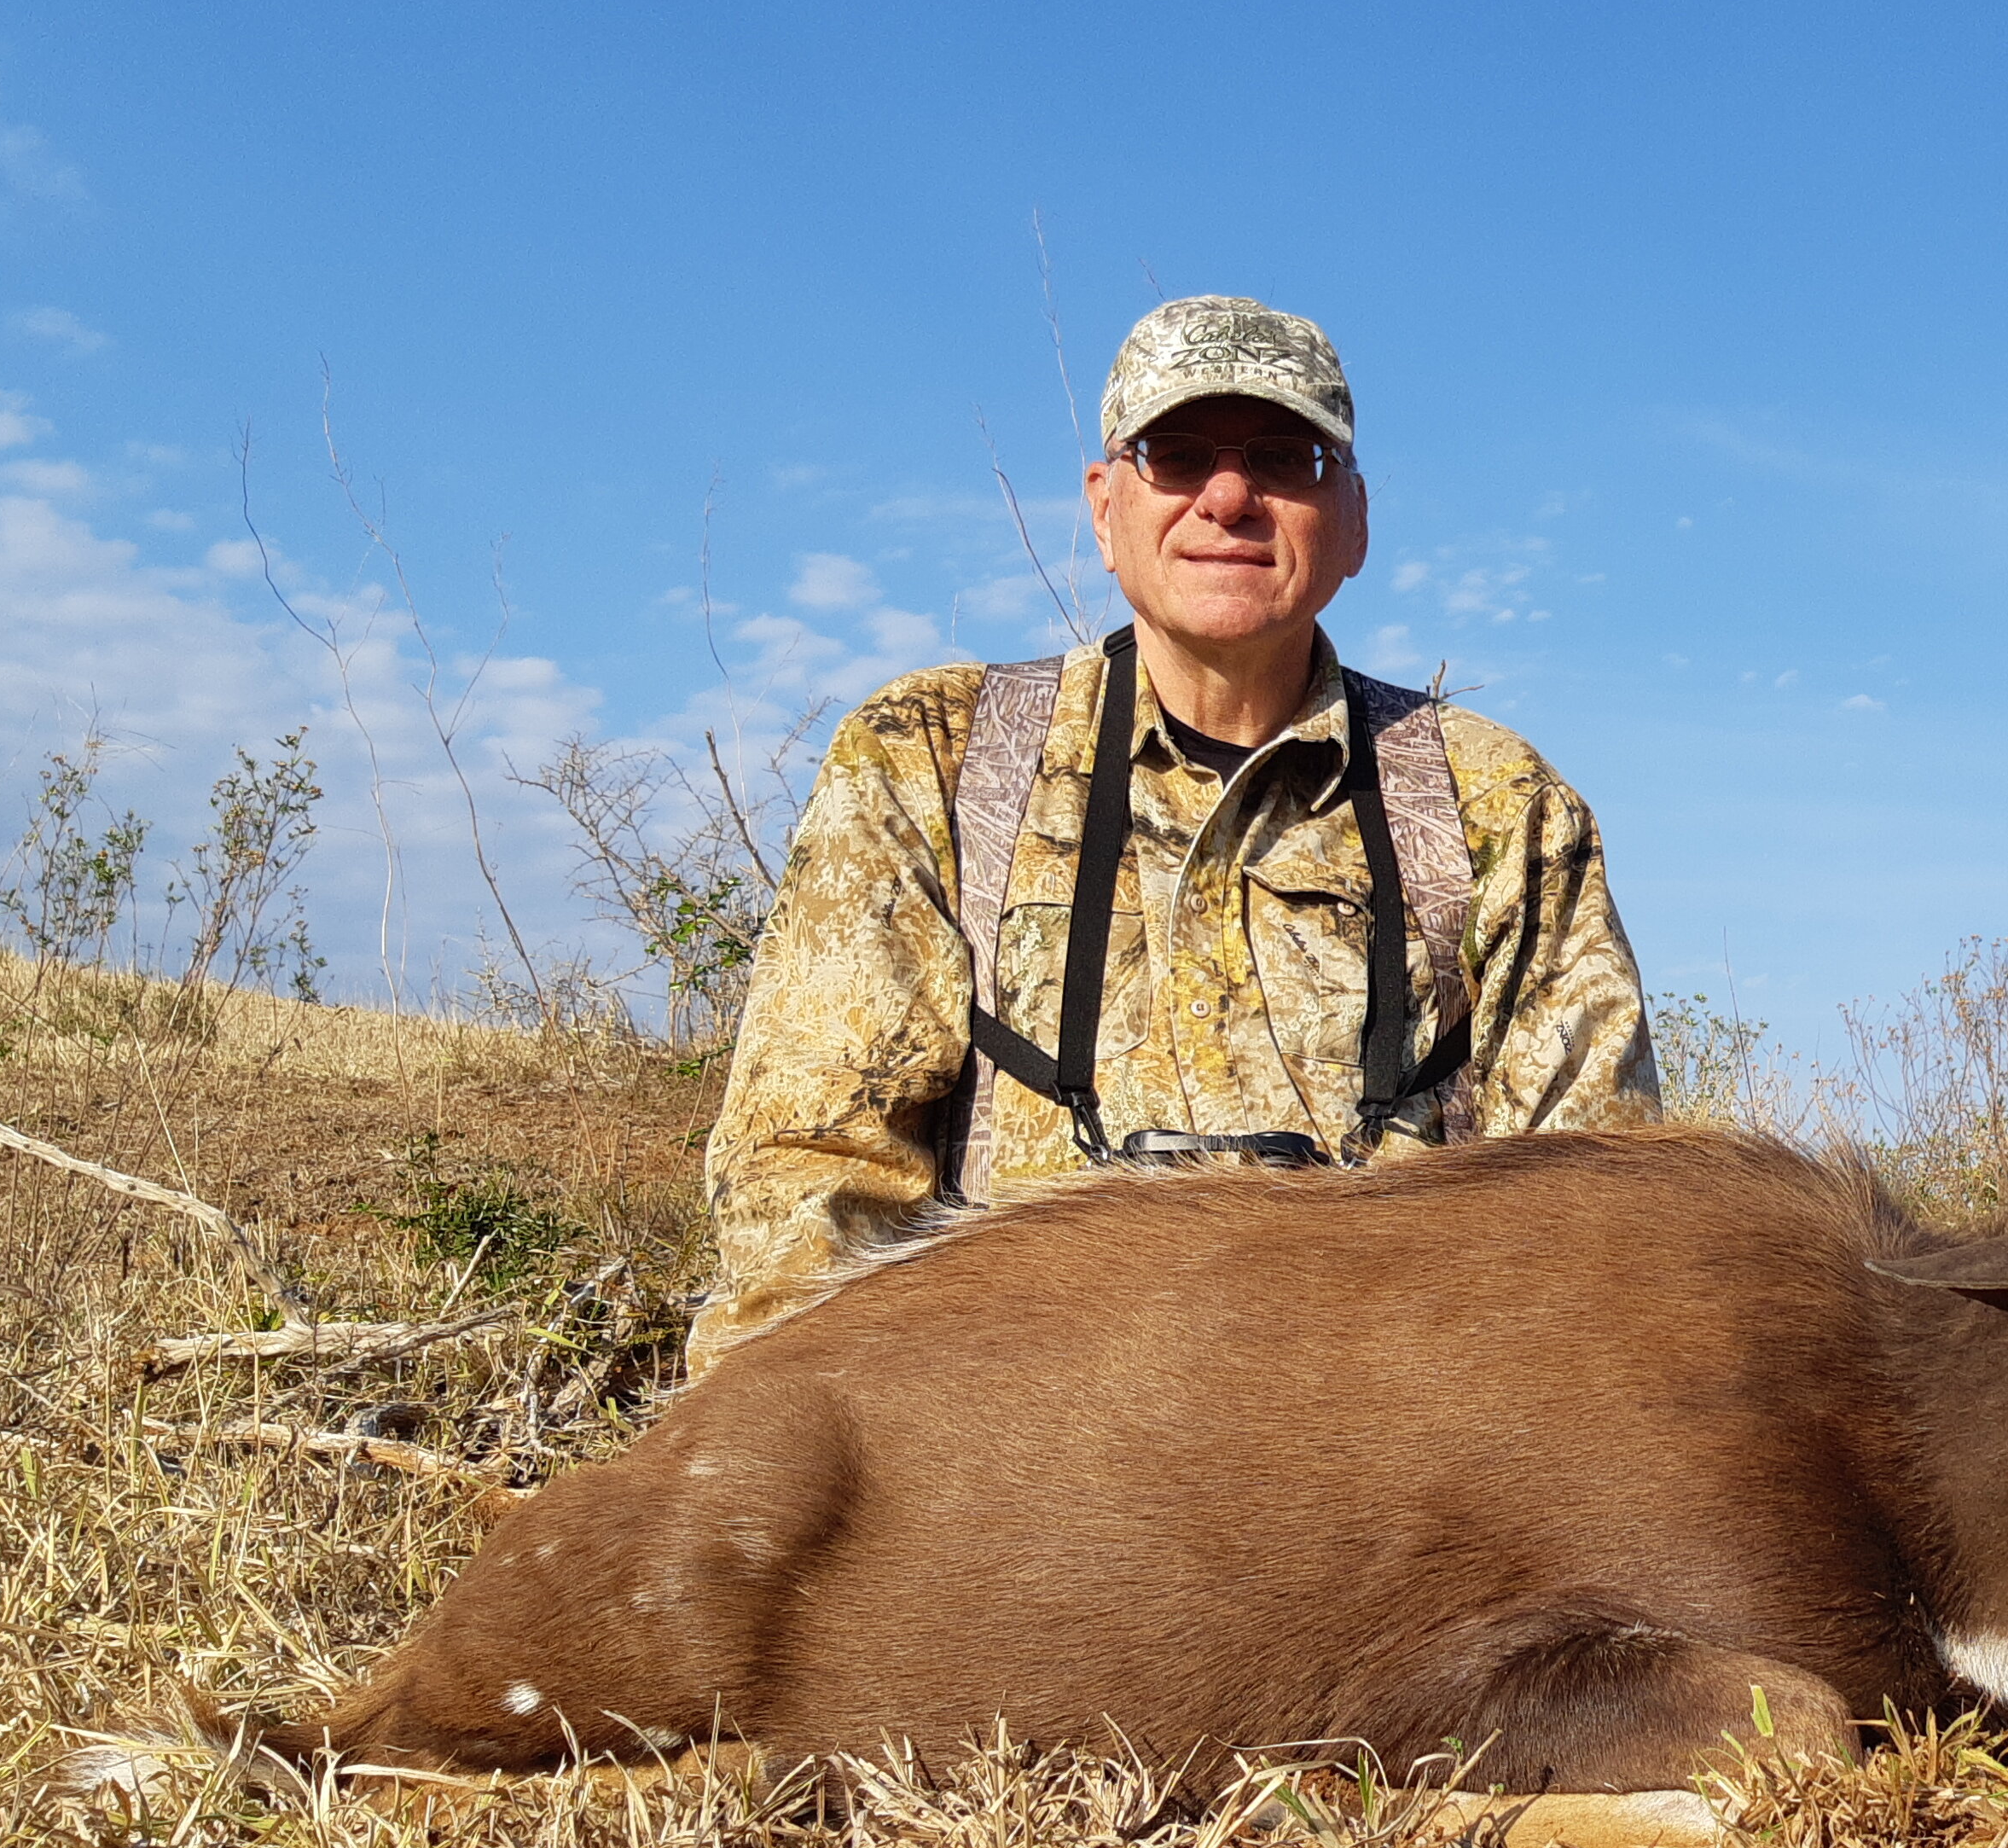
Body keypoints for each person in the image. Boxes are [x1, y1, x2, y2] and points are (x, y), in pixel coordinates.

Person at [688, 295, 1659, 1371]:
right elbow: (809, 1186)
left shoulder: (1497, 800)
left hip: (1387, 1462)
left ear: (1355, 523)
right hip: (1001, 1447)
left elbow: (1595, 1239)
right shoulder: (933, 757)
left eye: (1286, 457)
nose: (1230, 496)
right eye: (1177, 453)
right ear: (1105, 512)